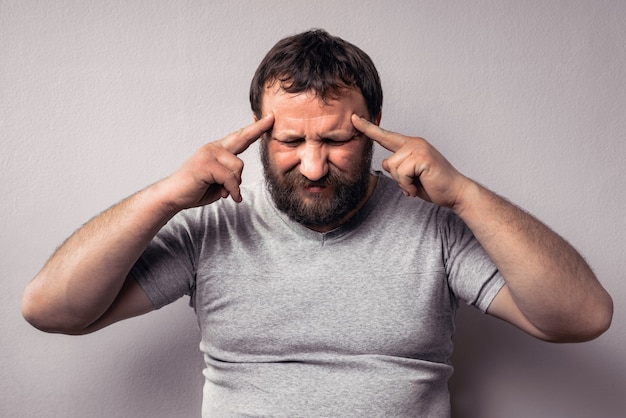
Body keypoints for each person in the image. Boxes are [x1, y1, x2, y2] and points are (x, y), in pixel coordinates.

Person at [22, 29, 613, 417]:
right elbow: (50, 311)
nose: (312, 165)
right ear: (257, 129)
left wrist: (463, 194)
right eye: (288, 139)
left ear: (374, 125)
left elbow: (581, 318)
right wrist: (164, 198)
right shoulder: (212, 228)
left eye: (335, 138)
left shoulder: (434, 227)